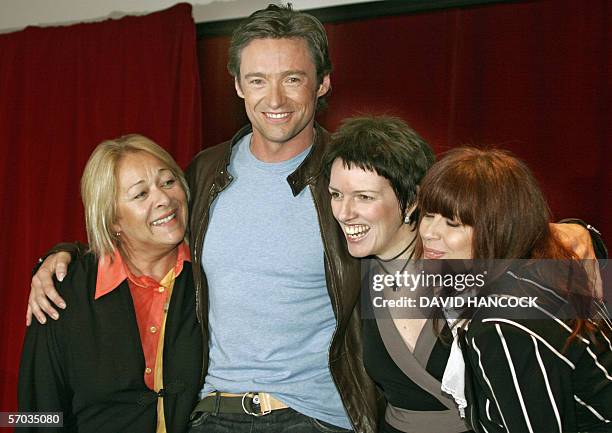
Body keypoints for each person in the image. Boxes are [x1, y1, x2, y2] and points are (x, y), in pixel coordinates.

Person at [25, 5, 378, 433]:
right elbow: (137, 241)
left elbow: (423, 260)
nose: (275, 99)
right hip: (214, 413)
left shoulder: (357, 176)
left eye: (292, 78)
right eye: (257, 80)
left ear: (322, 82)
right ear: (237, 85)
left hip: (315, 417)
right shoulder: (207, 174)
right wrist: (55, 260)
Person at [325, 116, 606, 433]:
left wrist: (583, 235)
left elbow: (520, 237)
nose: (344, 212)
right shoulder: (351, 271)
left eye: (364, 196)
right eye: (336, 195)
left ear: (412, 200)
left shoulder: (475, 268)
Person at [416, 147, 611, 433]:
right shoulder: (537, 267)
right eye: (429, 215)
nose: (429, 231)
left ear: (496, 229)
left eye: (452, 223)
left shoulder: (502, 323)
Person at [18, 135, 203, 433]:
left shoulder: (211, 279)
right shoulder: (60, 292)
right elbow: (30, 416)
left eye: (168, 182)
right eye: (141, 194)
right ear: (112, 219)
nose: (164, 199)